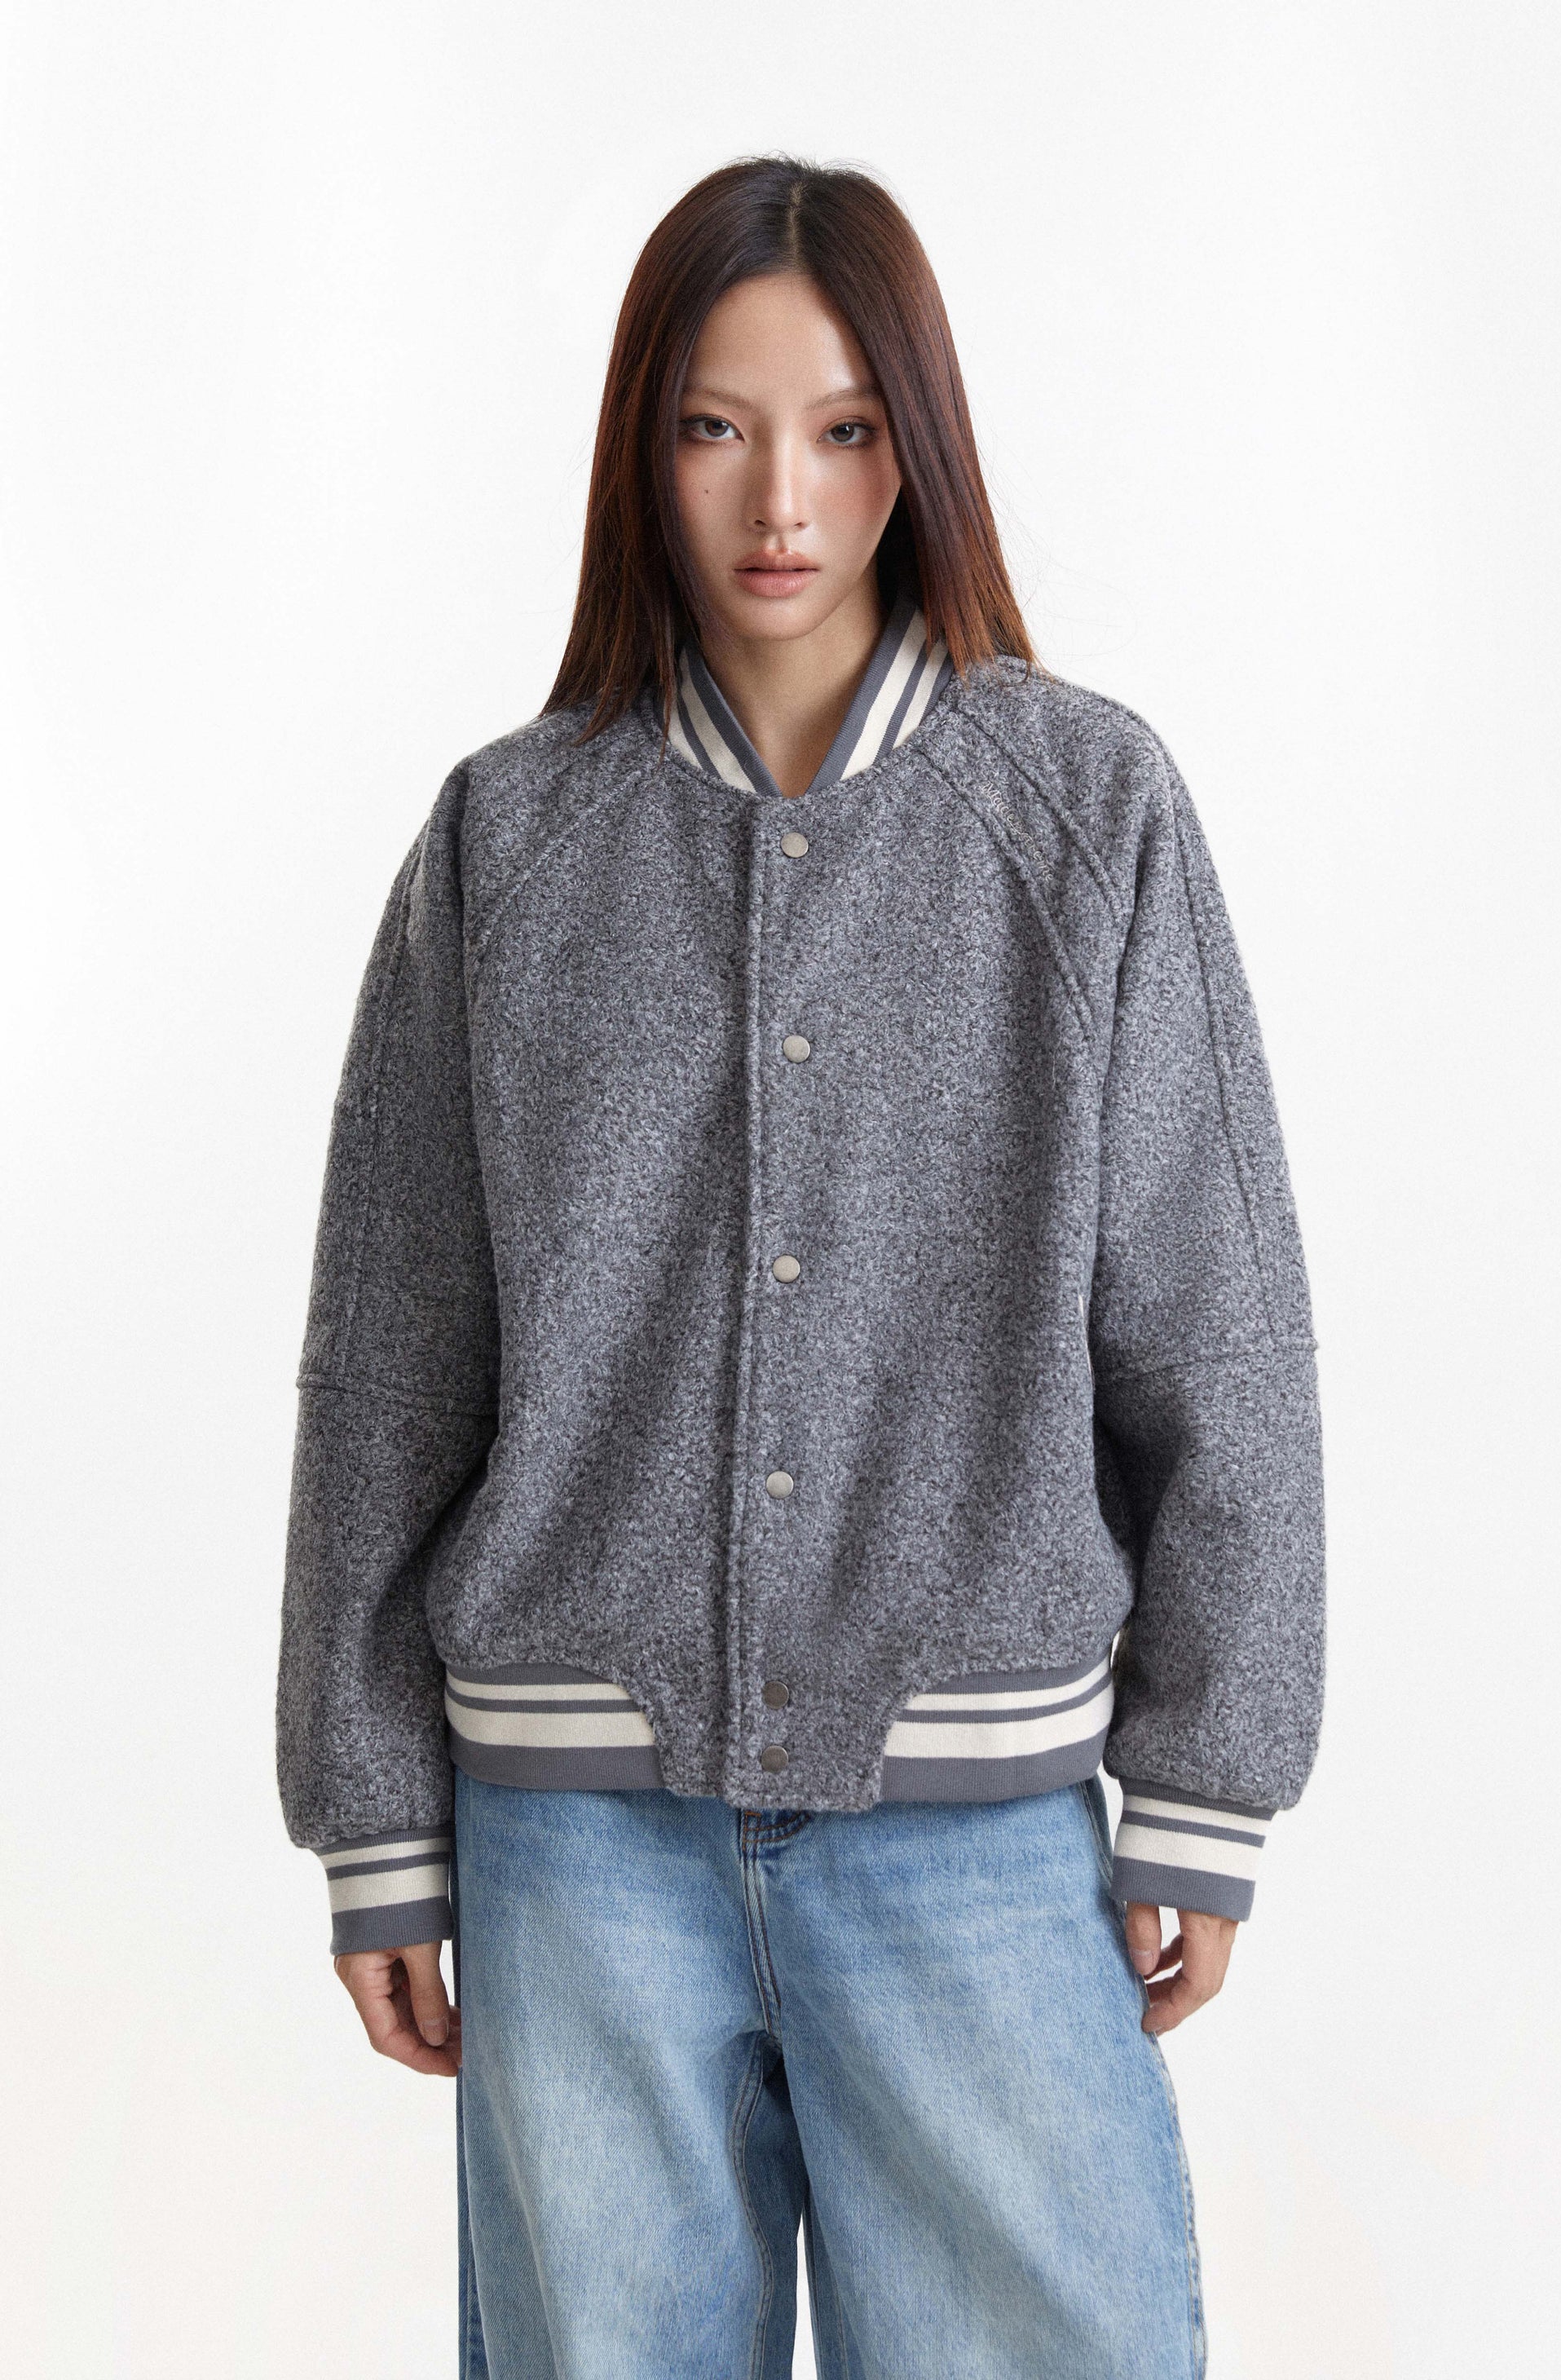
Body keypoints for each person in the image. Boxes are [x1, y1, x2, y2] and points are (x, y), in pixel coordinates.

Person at [276, 155, 1325, 2380]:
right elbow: (391, 1362)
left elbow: (1215, 1325)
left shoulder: (1087, 813)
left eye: (845, 429)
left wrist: (1209, 1773)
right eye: (715, 427)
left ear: (916, 446)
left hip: (979, 1840)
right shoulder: (508, 839)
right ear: (638, 449)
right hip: (572, 1852)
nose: (782, 500)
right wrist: (371, 1814)